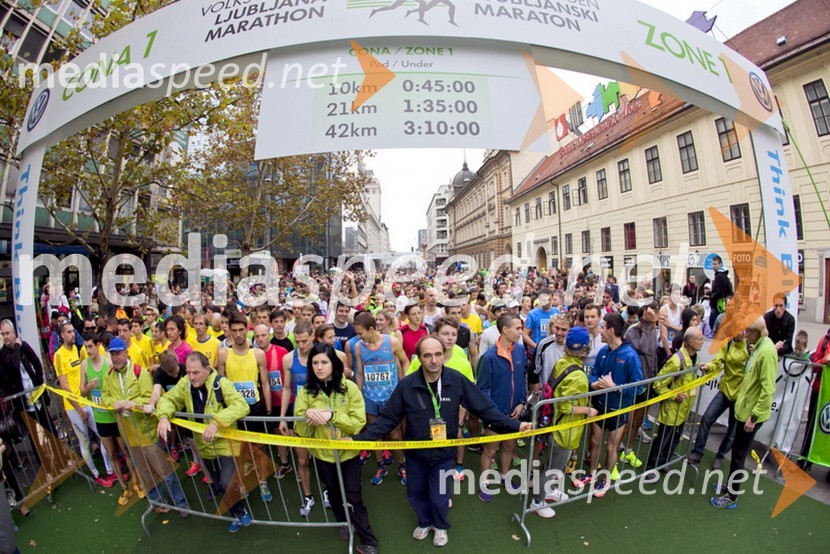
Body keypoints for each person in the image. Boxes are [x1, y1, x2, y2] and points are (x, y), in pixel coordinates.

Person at [351, 336, 532, 547]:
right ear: (419, 358)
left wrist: (515, 425)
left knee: (439, 497)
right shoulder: (407, 385)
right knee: (415, 494)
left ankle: (440, 525)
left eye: (438, 354)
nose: (434, 360)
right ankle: (425, 521)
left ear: (443, 355)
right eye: (427, 355)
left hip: (444, 454)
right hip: (415, 455)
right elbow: (388, 420)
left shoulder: (456, 380)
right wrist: (357, 440)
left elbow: (485, 409)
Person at [294, 344, 379, 554]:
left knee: (354, 496)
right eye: (315, 363)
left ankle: (369, 541)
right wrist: (307, 417)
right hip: (323, 456)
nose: (319, 367)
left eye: (324, 362)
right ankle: (343, 522)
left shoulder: (350, 388)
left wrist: (332, 416)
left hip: (348, 454)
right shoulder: (306, 391)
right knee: (333, 494)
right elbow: (299, 429)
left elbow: (358, 423)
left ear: (334, 363)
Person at [156, 352, 252, 531]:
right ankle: (236, 514)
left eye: (196, 372)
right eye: (188, 372)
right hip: (204, 446)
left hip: (226, 444)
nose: (191, 377)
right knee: (217, 484)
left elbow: (241, 405)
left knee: (226, 483)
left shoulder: (221, 383)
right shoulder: (185, 383)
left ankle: (241, 510)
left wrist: (217, 423)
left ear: (207, 369)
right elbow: (168, 399)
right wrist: (163, 416)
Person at [102, 338, 188, 515]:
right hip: (128, 435)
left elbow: (149, 398)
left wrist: (132, 404)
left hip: (147, 433)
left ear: (126, 353)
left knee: (165, 472)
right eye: (112, 354)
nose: (115, 357)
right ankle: (158, 503)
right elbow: (105, 397)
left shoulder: (139, 373)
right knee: (145, 474)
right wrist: (113, 403)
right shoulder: (108, 376)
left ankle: (181, 504)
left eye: (118, 353)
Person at [530, 327, 598, 518]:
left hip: (555, 423)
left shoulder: (562, 362)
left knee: (553, 464)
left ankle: (549, 491)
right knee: (554, 467)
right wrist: (588, 410)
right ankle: (538, 501)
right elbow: (566, 407)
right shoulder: (578, 376)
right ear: (585, 349)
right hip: (564, 430)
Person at [711, 317, 777, 509]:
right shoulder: (759, 347)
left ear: (756, 332)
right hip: (745, 410)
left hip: (750, 415)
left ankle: (732, 496)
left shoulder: (766, 352)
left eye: (748, 331)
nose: (745, 335)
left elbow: (768, 390)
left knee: (739, 454)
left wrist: (753, 417)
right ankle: (730, 486)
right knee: (736, 452)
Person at [580, 313, 643, 497]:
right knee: (594, 442)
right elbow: (595, 373)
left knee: (610, 447)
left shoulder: (630, 356)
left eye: (602, 327)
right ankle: (592, 474)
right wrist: (593, 384)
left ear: (611, 330)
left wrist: (615, 388)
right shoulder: (603, 351)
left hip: (618, 410)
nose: (599, 330)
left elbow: (639, 387)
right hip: (600, 405)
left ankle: (606, 480)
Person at [216, 312, 273, 502]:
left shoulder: (257, 354)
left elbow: (265, 383)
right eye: (234, 330)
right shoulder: (224, 353)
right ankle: (241, 485)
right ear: (230, 331)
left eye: (242, 330)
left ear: (247, 330)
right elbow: (220, 383)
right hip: (234, 410)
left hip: (255, 408)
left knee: (259, 449)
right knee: (237, 452)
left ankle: (263, 481)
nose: (239, 334)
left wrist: (268, 410)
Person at [53, 321, 114, 487]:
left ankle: (110, 470)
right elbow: (64, 387)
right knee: (84, 441)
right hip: (73, 407)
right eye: (68, 332)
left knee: (102, 435)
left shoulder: (76, 349)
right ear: (62, 335)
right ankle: (96, 475)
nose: (72, 334)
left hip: (86, 401)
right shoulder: (59, 356)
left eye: (73, 331)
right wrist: (78, 408)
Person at [80, 332, 137, 505]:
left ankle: (136, 482)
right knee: (111, 454)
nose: (88, 350)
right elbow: (82, 392)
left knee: (125, 450)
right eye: (86, 347)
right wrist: (88, 387)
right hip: (100, 418)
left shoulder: (109, 362)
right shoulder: (84, 365)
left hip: (115, 416)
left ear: (98, 345)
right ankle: (124, 488)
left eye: (91, 346)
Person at [353, 312, 409, 485]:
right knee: (373, 434)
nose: (359, 337)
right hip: (370, 398)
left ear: (371, 329)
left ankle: (402, 466)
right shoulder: (359, 347)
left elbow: (405, 361)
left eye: (361, 333)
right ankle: (381, 466)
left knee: (395, 435)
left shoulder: (391, 342)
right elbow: (359, 373)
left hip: (391, 398)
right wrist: (360, 397)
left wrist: (404, 385)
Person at [476, 313, 527, 502]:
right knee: (490, 450)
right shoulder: (489, 357)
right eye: (518, 328)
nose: (521, 332)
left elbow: (522, 378)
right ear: (505, 330)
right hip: (495, 415)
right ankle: (483, 484)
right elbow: (482, 389)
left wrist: (521, 402)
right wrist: (493, 413)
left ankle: (504, 476)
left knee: (509, 447)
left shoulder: (520, 350)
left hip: (515, 412)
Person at [644, 327, 704, 479]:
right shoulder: (677, 361)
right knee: (662, 440)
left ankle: (663, 463)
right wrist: (674, 395)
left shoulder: (695, 358)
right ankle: (651, 467)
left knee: (675, 439)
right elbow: (658, 384)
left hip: (684, 410)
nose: (703, 342)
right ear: (690, 342)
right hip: (671, 410)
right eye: (700, 339)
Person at [687, 329, 749, 469]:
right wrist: (708, 366)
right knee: (706, 418)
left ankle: (720, 456)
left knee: (732, 431)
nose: (743, 333)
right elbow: (717, 361)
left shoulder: (750, 348)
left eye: (745, 330)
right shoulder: (728, 344)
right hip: (725, 390)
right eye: (740, 329)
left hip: (740, 396)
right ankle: (697, 452)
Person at [279, 322, 317, 516]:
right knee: (302, 461)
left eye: (305, 341)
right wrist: (282, 418)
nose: (301, 345)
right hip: (299, 416)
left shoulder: (322, 356)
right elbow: (286, 388)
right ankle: (308, 495)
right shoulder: (288, 359)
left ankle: (329, 491)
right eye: (298, 341)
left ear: (312, 337)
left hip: (321, 417)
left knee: (325, 460)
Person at [763, 293, 796, 357]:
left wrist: (776, 350)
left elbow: (788, 342)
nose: (778, 309)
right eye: (776, 306)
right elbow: (764, 338)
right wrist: (773, 348)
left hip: (785, 353)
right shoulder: (767, 317)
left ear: (785, 306)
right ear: (773, 305)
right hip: (769, 351)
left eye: (781, 306)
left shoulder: (790, 320)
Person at [709, 256, 733, 331]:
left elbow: (720, 292)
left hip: (719, 306)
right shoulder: (724, 275)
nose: (713, 266)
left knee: (715, 326)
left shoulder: (720, 276)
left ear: (720, 264)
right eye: (712, 264)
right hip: (722, 305)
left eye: (715, 264)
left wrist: (712, 296)